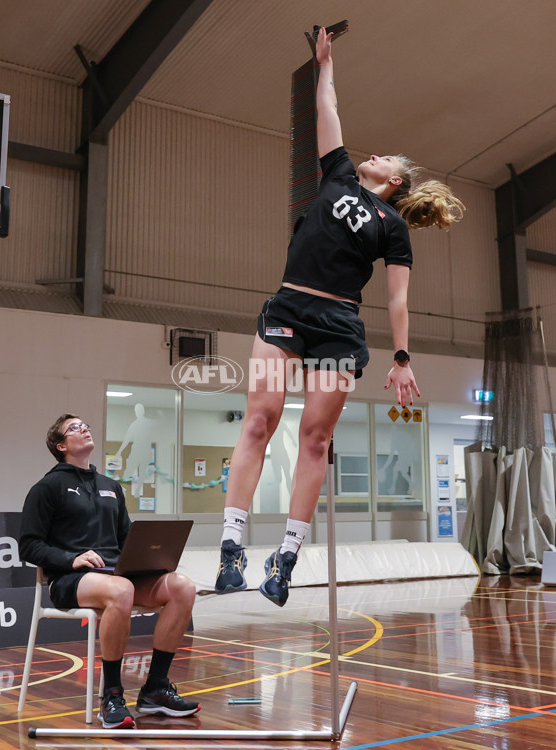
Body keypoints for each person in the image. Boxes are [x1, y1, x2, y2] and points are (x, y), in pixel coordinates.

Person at [214, 27, 465, 607]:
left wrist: (403, 357)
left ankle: (287, 555)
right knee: (260, 420)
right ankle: (233, 545)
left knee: (315, 437)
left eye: (383, 157)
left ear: (395, 180)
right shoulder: (338, 175)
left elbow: (398, 299)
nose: (370, 154)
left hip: (338, 330)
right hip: (287, 314)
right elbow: (326, 108)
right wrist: (324, 65)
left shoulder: (393, 227)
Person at [19, 414, 200, 729]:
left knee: (182, 586)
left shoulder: (111, 486)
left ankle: (156, 688)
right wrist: (70, 558)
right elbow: (29, 546)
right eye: (74, 428)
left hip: (120, 574)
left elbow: (126, 537)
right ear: (61, 445)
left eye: (85, 424)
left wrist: (150, 558)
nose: (84, 428)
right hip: (69, 580)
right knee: (122, 590)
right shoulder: (47, 487)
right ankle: (112, 696)